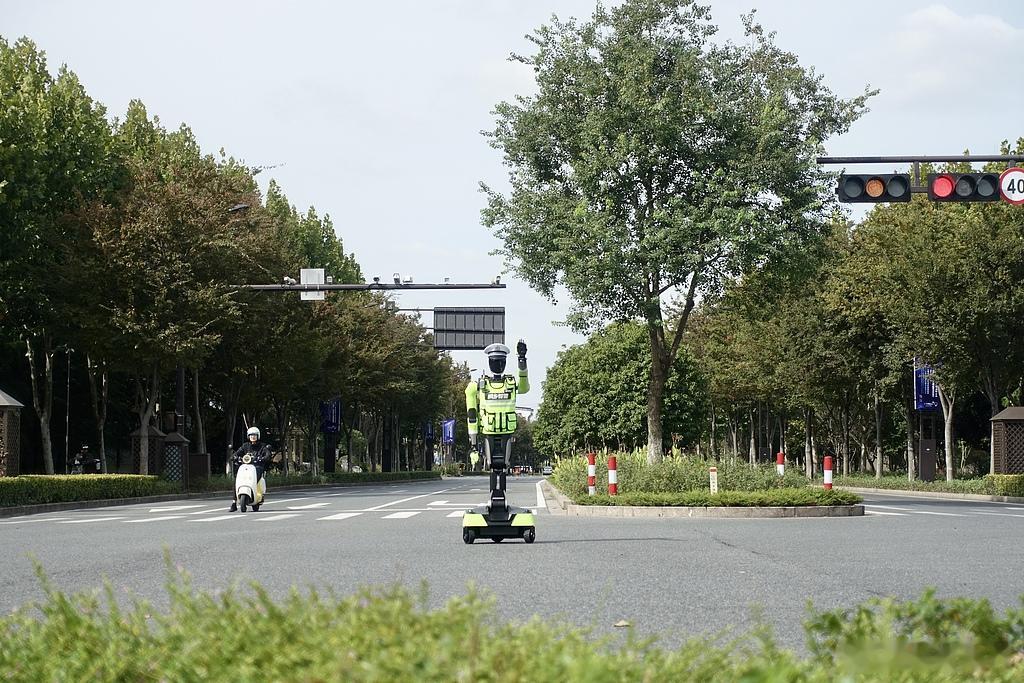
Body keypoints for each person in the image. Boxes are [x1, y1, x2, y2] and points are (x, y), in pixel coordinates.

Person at [465, 340, 529, 512]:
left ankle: (501, 497)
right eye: (495, 361)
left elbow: (524, 388)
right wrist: (473, 440)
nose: (498, 364)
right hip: (488, 432)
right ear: (489, 362)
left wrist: (522, 361)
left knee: (504, 465)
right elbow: (471, 413)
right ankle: (494, 496)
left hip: (507, 432)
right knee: (493, 465)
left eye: (501, 361)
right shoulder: (479, 385)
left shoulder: (510, 383)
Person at [229, 426, 270, 511]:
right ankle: (234, 503)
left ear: (258, 436)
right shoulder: (245, 446)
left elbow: (267, 454)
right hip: (245, 467)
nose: (253, 437)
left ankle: (258, 495)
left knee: (256, 479)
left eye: (254, 435)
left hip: (257, 467)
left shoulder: (262, 446)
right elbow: (237, 453)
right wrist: (235, 457)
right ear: (248, 436)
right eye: (251, 435)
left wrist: (263, 458)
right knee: (237, 480)